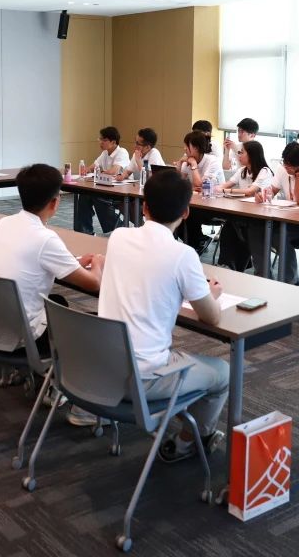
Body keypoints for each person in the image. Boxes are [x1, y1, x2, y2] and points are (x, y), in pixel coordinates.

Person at [99, 169, 228, 462]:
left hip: (101, 369)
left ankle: (184, 421)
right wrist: (213, 295)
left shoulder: (118, 237)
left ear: (144, 207)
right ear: (186, 212)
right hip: (144, 378)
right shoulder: (183, 255)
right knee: (222, 373)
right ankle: (187, 443)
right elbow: (211, 318)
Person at [0, 164, 104, 426]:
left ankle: (46, 377)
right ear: (55, 202)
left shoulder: (3, 224)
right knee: (91, 324)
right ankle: (69, 393)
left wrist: (74, 262)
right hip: (21, 336)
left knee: (58, 302)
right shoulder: (45, 238)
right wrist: (98, 262)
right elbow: (93, 283)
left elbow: (37, 260)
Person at [247, 142, 299, 283]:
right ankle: (263, 275)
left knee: (278, 234)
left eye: (290, 166)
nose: (286, 167)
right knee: (255, 228)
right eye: (284, 163)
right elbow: (272, 190)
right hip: (288, 219)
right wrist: (263, 195)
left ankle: (290, 281)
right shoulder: (282, 168)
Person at [216, 140, 273, 272]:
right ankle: (227, 265)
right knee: (229, 227)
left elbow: (250, 192)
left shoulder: (265, 171)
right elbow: (225, 185)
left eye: (242, 153)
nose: (239, 155)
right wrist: (215, 188)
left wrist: (225, 190)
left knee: (239, 228)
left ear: (252, 155)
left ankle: (234, 265)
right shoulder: (242, 170)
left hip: (260, 217)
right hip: (243, 213)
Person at [73, 126, 130, 235]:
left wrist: (99, 173)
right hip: (106, 188)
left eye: (104, 140)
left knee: (97, 196)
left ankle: (119, 228)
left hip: (121, 191)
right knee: (85, 194)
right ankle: (85, 232)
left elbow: (113, 171)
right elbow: (93, 167)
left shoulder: (122, 152)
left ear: (113, 142)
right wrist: (86, 170)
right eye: (100, 139)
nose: (101, 142)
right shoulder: (105, 153)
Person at [175, 130, 224, 253]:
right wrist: (179, 164)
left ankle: (199, 242)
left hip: (216, 203)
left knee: (191, 214)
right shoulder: (188, 160)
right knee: (176, 212)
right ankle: (193, 245)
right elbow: (179, 182)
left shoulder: (212, 161)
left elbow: (200, 184)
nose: (184, 149)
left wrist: (193, 165)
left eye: (187, 146)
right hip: (197, 201)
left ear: (196, 148)